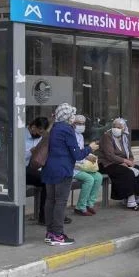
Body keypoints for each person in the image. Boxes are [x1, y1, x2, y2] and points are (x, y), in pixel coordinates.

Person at [42, 103, 97, 246]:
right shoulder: (67, 130)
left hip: (49, 169)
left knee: (50, 200)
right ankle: (58, 234)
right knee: (60, 202)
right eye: (72, 114)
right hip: (63, 170)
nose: (74, 117)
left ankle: (50, 232)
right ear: (67, 116)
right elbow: (77, 155)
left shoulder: (54, 127)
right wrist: (89, 148)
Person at [98, 118, 139, 210]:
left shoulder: (124, 137)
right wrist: (124, 161)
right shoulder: (107, 136)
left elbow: (130, 154)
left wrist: (129, 162)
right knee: (128, 173)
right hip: (107, 163)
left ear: (124, 128)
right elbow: (110, 155)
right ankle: (130, 201)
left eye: (120, 127)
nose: (117, 129)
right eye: (115, 127)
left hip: (122, 162)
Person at [72, 115, 103, 216]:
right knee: (89, 179)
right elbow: (74, 153)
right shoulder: (71, 136)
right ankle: (80, 207)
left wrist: (89, 156)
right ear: (73, 124)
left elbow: (82, 151)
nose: (81, 126)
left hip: (82, 165)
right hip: (73, 167)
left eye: (83, 124)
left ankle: (89, 204)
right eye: (79, 123)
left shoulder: (80, 136)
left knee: (98, 177)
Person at [25, 117, 49, 225]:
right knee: (46, 180)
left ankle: (52, 213)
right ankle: (43, 217)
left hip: (34, 168)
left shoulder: (39, 137)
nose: (39, 135)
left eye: (42, 133)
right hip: (21, 168)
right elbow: (15, 157)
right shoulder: (21, 135)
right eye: (39, 132)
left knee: (50, 178)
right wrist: (30, 152)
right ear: (33, 127)